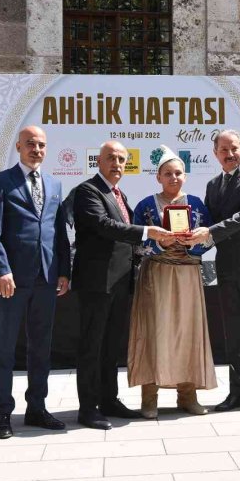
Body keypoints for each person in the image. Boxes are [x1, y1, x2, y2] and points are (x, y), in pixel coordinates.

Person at [72, 141, 172, 430]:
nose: (116, 164)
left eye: (121, 159)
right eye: (110, 158)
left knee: (111, 345)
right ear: (98, 161)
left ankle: (109, 400)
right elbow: (105, 227)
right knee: (92, 345)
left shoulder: (119, 194)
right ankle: (88, 408)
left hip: (119, 282)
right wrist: (147, 232)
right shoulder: (88, 191)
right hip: (96, 283)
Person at [0, 125, 71, 440]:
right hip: (12, 281)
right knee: (5, 348)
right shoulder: (1, 182)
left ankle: (37, 408)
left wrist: (64, 271)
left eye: (42, 145)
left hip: (46, 280)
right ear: (18, 146)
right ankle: (3, 413)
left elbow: (59, 232)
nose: (36, 149)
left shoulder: (55, 184)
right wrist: (2, 270)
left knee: (41, 349)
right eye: (30, 143)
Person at [183, 129, 240, 415]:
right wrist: (184, 241)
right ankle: (237, 392)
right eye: (223, 150)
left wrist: (208, 232)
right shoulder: (213, 185)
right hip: (227, 264)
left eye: (234, 148)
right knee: (234, 331)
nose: (229, 154)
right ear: (215, 154)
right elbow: (207, 221)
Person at [129, 146, 217, 419]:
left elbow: (211, 237)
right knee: (154, 332)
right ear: (158, 177)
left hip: (188, 275)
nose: (173, 177)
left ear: (185, 176)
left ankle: (187, 396)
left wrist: (196, 244)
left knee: (187, 333)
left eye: (178, 172)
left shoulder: (198, 204)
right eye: (167, 173)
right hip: (157, 274)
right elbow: (135, 244)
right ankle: (149, 398)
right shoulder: (144, 205)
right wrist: (157, 244)